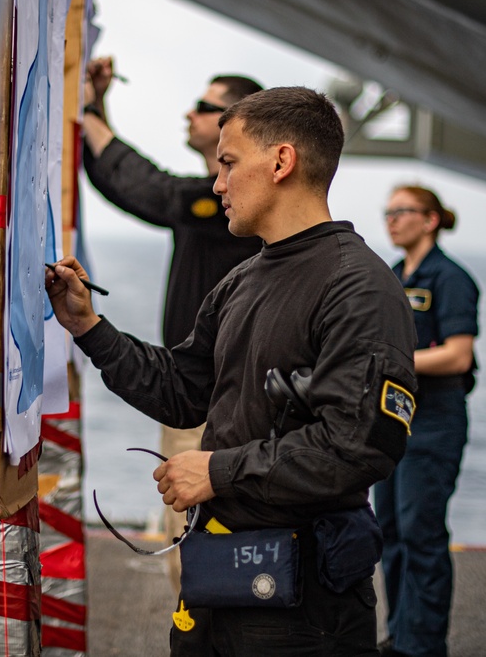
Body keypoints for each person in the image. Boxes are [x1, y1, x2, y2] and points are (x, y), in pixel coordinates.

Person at [47, 86, 418, 656]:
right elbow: (183, 390)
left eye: (227, 163)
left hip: (304, 611)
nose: (217, 183)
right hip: (217, 587)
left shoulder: (359, 288)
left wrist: (219, 471)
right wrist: (90, 329)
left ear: (281, 161)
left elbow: (358, 446)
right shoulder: (243, 280)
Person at [81, 57, 264, 592]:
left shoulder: (228, 198)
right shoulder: (212, 196)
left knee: (200, 548)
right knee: (188, 538)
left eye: (205, 107)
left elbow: (152, 192)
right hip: (193, 391)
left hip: (212, 399)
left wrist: (92, 109)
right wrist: (98, 108)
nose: (190, 113)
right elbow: (126, 185)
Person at [374, 186, 480, 657]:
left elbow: (459, 355)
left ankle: (424, 645)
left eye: (403, 211)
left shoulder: (450, 277)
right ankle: (401, 634)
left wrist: (395, 361)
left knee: (422, 533)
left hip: (435, 422)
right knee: (390, 532)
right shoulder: (394, 275)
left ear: (431, 219)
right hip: (395, 421)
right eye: (389, 212)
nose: (392, 220)